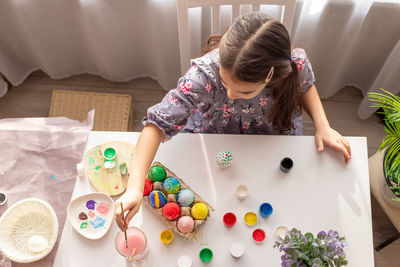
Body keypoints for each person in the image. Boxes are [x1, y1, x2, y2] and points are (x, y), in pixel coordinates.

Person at [115, 13, 351, 230]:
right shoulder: (204, 74)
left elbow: (305, 86)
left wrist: (323, 125)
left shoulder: (294, 64)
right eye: (225, 83)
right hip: (214, 132)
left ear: (271, 76)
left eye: (243, 92)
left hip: (272, 134)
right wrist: (135, 188)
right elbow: (156, 125)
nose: (229, 95)